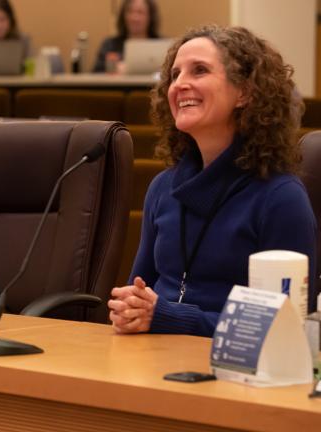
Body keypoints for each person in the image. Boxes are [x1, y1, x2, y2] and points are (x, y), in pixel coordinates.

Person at [108, 25, 317, 337]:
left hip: (234, 374)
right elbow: (137, 291)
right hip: (148, 358)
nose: (180, 84)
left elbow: (283, 327)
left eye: (199, 71)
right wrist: (128, 310)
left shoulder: (280, 197)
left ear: (245, 92)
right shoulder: (162, 188)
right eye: (175, 74)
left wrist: (168, 316)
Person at [92, 0, 159, 73]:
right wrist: (114, 69)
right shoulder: (110, 45)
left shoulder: (162, 45)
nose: (134, 17)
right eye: (130, 12)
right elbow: (96, 73)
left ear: (150, 16)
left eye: (140, 12)